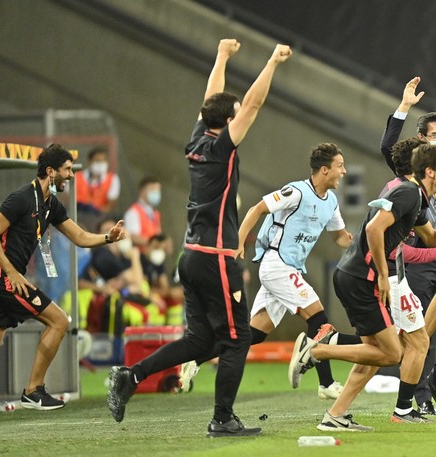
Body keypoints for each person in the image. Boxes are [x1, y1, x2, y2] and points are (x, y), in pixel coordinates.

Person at [106, 38, 293, 437]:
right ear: (227, 122)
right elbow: (253, 105)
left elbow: (211, 99)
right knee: (238, 339)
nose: (242, 115)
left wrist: (222, 56)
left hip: (192, 256)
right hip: (215, 258)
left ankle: (131, 375)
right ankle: (223, 418)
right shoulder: (223, 147)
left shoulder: (197, 138)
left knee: (198, 341)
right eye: (236, 114)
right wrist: (273, 62)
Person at [289, 144, 436, 431]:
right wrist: (385, 275)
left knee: (377, 352)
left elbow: (432, 236)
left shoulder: (418, 197)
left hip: (359, 278)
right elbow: (375, 229)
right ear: (429, 171)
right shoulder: (409, 193)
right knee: (391, 353)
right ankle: (318, 350)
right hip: (362, 279)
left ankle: (336, 415)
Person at [206, 143, 351, 400]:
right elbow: (257, 209)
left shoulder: (331, 202)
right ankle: (326, 383)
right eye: (340, 166)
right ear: (325, 170)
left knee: (255, 335)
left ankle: (195, 356)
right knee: (319, 320)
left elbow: (340, 237)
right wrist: (238, 242)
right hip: (276, 265)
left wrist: (368, 242)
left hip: (290, 269)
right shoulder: (295, 192)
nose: (344, 171)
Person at [0, 144, 126, 410]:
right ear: (50, 171)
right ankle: (33, 391)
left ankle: (33, 390)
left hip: (7, 277)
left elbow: (79, 237)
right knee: (58, 320)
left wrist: (107, 238)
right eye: (67, 169)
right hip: (3, 277)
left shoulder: (50, 205)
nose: (72, 175)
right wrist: (11, 272)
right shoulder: (21, 197)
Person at [376, 77, 436, 415]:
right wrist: (404, 106)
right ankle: (421, 396)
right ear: (421, 141)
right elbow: (388, 148)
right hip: (420, 259)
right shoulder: (417, 171)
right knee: (419, 332)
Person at [75, 146, 120, 215]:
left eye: (103, 161)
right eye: (97, 161)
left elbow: (110, 205)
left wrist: (97, 215)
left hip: (99, 217)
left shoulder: (113, 179)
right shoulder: (76, 177)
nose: (100, 164)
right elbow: (67, 199)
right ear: (90, 162)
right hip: (78, 215)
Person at [123, 176, 162, 249]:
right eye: (153, 189)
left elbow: (158, 234)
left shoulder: (156, 214)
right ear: (142, 191)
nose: (156, 193)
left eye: (158, 190)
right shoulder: (133, 212)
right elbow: (132, 237)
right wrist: (153, 243)